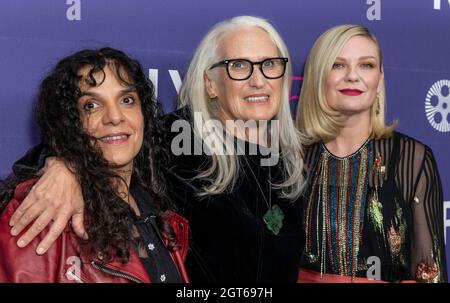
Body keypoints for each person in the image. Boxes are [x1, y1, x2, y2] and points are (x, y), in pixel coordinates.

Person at [6, 16, 306, 282]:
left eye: (270, 65)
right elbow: (102, 140)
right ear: (210, 84)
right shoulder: (175, 139)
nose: (258, 80)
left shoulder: (290, 160)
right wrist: (63, 166)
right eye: (238, 65)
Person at [0, 48, 189, 283]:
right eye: (91, 105)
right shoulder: (43, 209)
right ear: (70, 123)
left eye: (127, 100)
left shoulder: (158, 212)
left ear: (144, 115)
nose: (115, 116)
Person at [296, 24, 447, 283]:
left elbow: (431, 273)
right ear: (318, 77)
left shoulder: (413, 159)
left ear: (379, 79)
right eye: (338, 65)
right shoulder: (290, 159)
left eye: (366, 65)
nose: (353, 76)